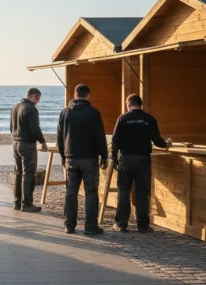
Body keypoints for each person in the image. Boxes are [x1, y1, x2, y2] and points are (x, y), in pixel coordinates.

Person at [111, 93, 170, 233]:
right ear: (141, 104)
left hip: (126, 159)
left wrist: (114, 158)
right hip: (143, 159)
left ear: (128, 104)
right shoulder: (149, 119)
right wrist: (166, 144)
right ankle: (143, 225)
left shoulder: (123, 118)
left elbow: (115, 140)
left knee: (124, 192)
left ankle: (121, 224)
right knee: (142, 193)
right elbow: (157, 141)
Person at [57, 83, 108, 235]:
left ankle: (69, 225)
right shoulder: (93, 112)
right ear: (87, 95)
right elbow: (100, 136)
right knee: (91, 192)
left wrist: (63, 156)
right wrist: (104, 156)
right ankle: (91, 226)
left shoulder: (65, 112)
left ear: (74, 94)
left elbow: (60, 137)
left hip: (71, 158)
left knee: (71, 192)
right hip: (89, 159)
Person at [10, 87, 47, 212]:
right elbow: (35, 128)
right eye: (37, 99)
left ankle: (17, 202)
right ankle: (27, 204)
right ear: (33, 96)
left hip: (15, 143)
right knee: (29, 174)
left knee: (18, 173)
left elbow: (11, 127)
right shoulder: (31, 109)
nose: (38, 102)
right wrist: (42, 141)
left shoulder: (15, 107)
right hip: (27, 144)